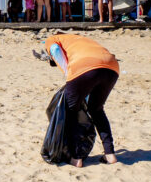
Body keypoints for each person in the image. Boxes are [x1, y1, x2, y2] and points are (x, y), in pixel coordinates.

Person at [43, 34, 120, 168]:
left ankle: (76, 157)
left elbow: (55, 50)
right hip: (112, 67)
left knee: (72, 111)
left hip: (84, 67)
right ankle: (110, 154)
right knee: (97, 110)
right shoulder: (77, 39)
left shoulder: (51, 39)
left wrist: (70, 77)